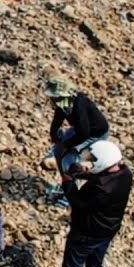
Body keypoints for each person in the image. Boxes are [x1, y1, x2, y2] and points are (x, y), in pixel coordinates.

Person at [39, 138, 133, 267]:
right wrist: (83, 173)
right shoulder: (124, 173)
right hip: (108, 230)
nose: (90, 163)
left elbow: (78, 202)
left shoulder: (100, 188)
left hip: (86, 233)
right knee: (96, 265)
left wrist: (67, 182)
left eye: (93, 161)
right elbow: (104, 176)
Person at [43, 74, 110, 206]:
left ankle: (72, 195)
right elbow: (59, 116)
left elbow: (84, 132)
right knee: (58, 151)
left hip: (95, 134)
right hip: (80, 130)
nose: (50, 99)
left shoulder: (78, 104)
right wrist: (54, 134)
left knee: (70, 161)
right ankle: (66, 184)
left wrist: (67, 145)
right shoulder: (64, 103)